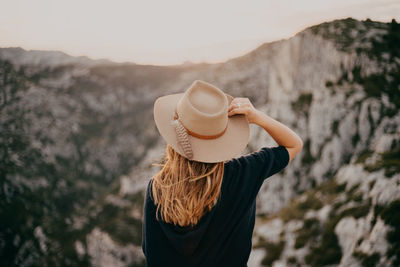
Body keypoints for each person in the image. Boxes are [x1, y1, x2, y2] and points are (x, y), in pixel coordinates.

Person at [142, 80, 303, 267]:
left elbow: (152, 256)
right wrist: (257, 117)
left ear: (174, 139)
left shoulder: (158, 188)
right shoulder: (243, 173)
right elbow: (294, 144)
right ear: (221, 139)